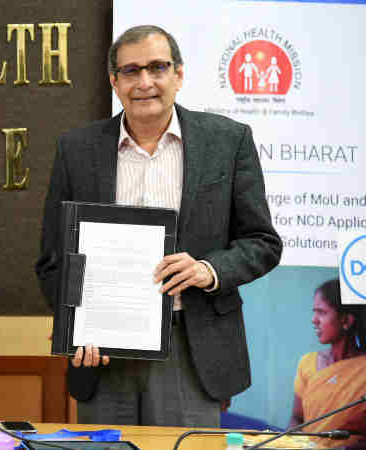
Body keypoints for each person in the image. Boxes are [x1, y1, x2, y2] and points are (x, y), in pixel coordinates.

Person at [35, 25, 282, 427]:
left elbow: (263, 242)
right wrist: (74, 323)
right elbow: (51, 260)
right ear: (114, 81)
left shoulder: (228, 141)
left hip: (191, 344)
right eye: (130, 71)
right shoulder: (76, 150)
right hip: (103, 354)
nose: (144, 82)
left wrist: (208, 270)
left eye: (157, 67)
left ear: (179, 75)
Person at [288, 279, 366, 449]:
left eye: (321, 313)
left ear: (346, 320)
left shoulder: (363, 370)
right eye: (314, 312)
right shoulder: (307, 363)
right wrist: (291, 443)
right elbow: (297, 418)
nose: (314, 320)